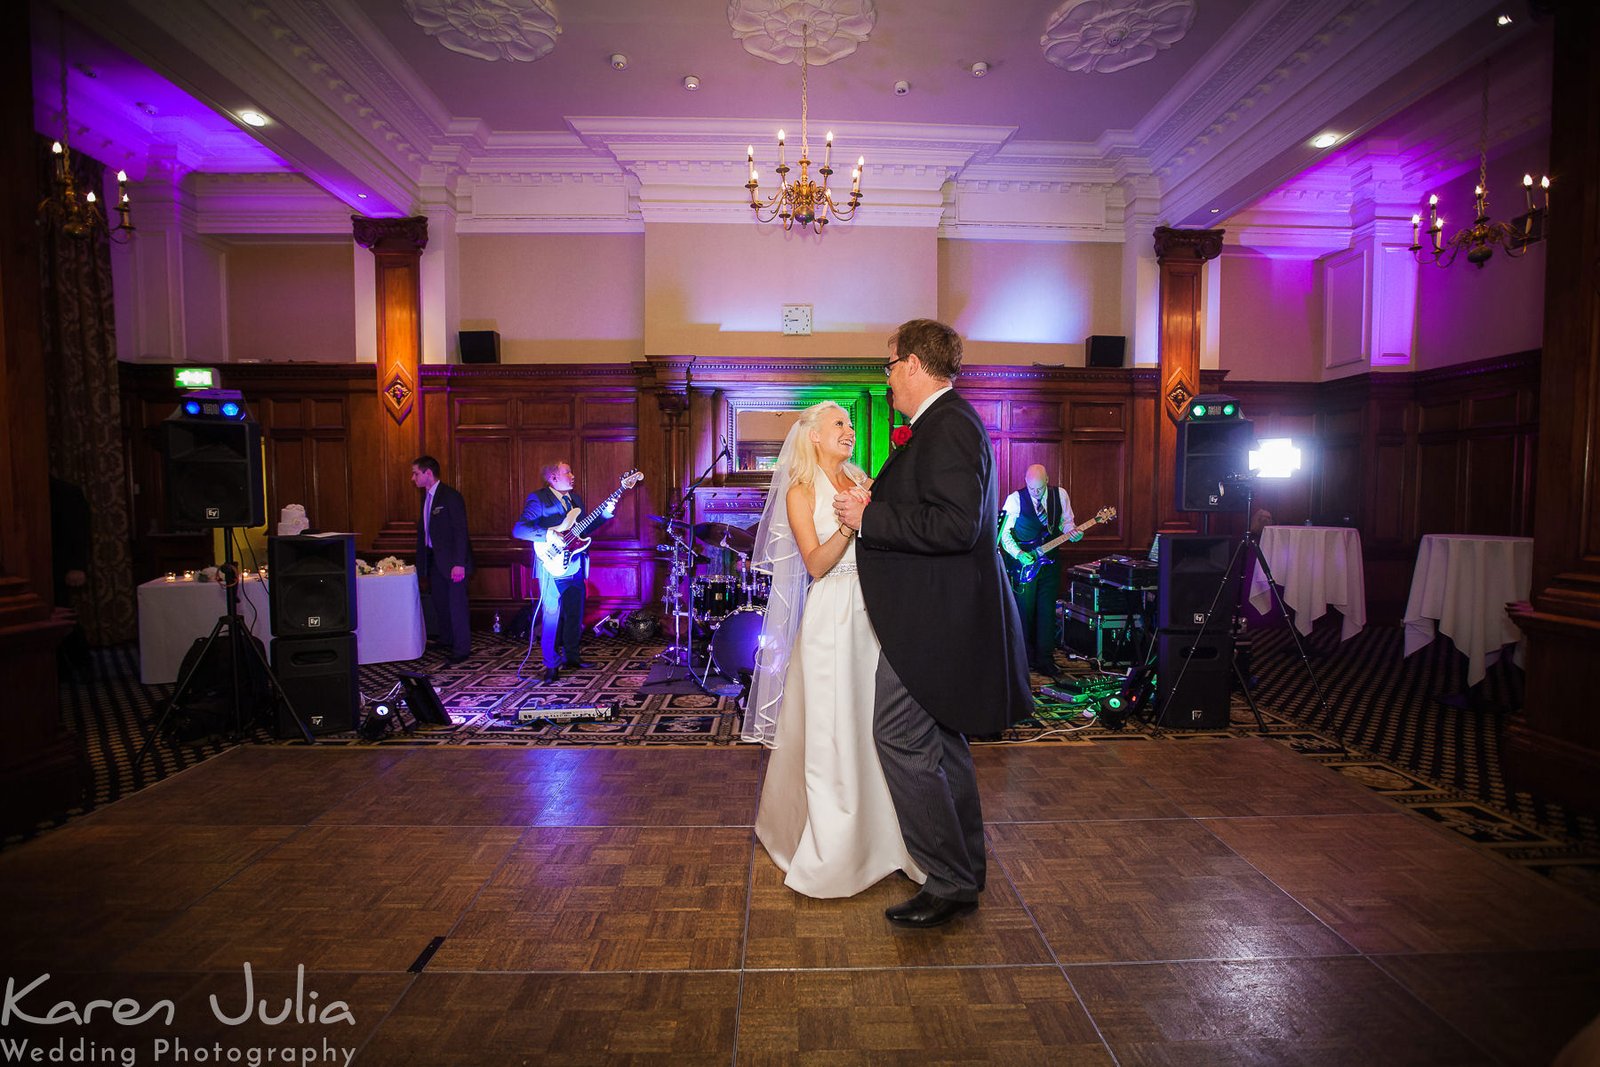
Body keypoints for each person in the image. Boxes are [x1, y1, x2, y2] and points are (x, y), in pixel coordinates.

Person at [833, 318, 1033, 928]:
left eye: (889, 366)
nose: (887, 378)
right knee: (943, 747)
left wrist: (869, 519)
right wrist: (881, 502)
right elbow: (939, 510)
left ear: (915, 365)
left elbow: (955, 526)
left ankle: (947, 879)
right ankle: (962, 872)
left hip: (932, 625)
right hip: (934, 617)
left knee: (897, 736)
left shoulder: (947, 426)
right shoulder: (944, 425)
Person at [748, 401, 925, 899]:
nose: (849, 431)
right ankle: (832, 846)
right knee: (832, 725)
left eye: (850, 423)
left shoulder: (862, 478)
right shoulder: (802, 492)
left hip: (875, 612)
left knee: (875, 722)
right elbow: (816, 565)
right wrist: (851, 525)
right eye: (839, 425)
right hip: (832, 614)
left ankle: (885, 838)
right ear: (814, 438)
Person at [512, 460, 613, 683]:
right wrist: (549, 534)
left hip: (575, 563)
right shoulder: (538, 498)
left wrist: (604, 515)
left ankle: (572, 657)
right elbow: (519, 529)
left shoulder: (575, 500)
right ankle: (551, 665)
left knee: (575, 613)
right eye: (568, 471)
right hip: (551, 566)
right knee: (551, 617)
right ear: (553, 478)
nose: (573, 475)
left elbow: (582, 530)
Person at [999, 464, 1079, 678]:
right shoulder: (1015, 499)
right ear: (1026, 481)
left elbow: (1066, 522)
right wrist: (1018, 554)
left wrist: (1072, 532)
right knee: (1024, 612)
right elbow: (1004, 534)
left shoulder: (1060, 494)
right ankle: (1023, 659)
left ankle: (1045, 659)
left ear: (1047, 480)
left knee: (1047, 610)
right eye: (1031, 489)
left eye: (1039, 489)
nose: (1035, 493)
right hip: (1024, 563)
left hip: (1051, 562)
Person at [411, 455, 473, 663]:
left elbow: (460, 531)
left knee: (457, 605)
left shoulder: (450, 496)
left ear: (428, 473)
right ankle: (447, 639)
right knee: (440, 603)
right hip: (434, 560)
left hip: (453, 562)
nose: (413, 478)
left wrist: (459, 563)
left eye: (416, 473)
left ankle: (462, 649)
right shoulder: (426, 498)